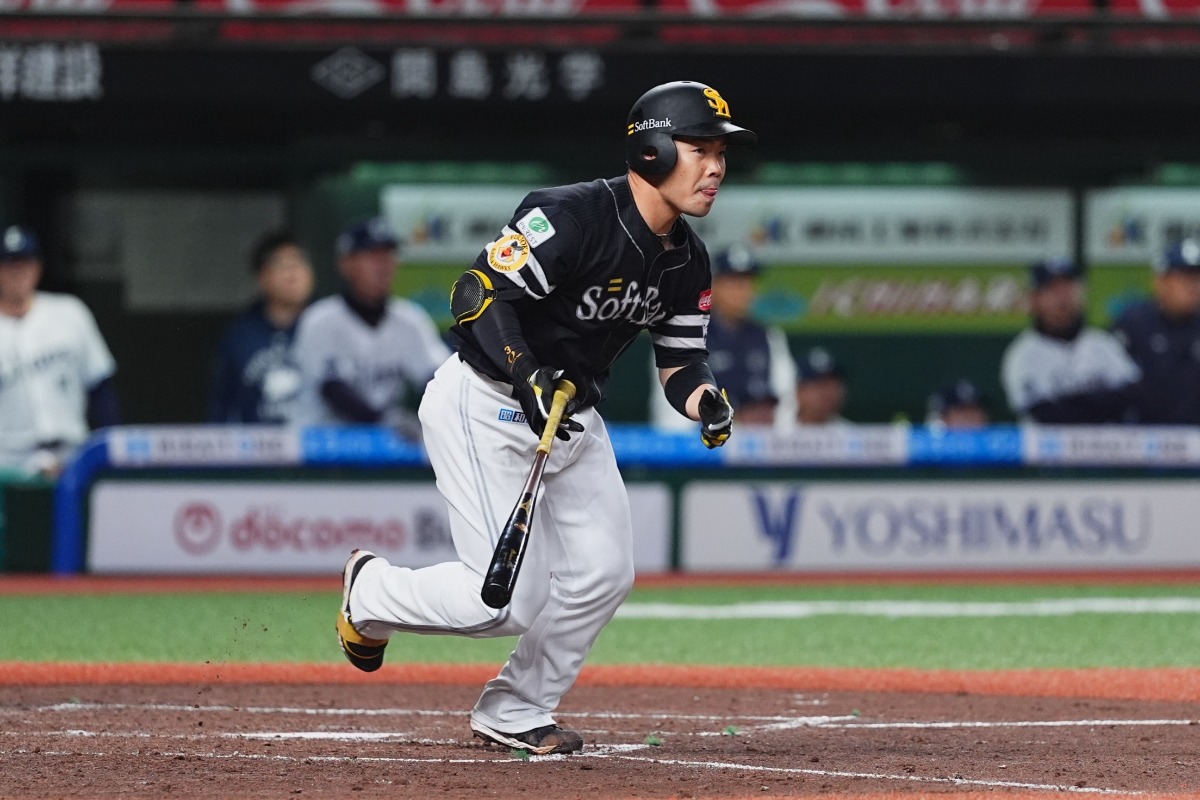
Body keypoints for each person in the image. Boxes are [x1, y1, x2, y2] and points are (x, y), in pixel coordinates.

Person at [335, 80, 749, 754]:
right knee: (503, 601)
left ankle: (515, 708)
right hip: (485, 402)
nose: (716, 167)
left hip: (571, 419)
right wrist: (527, 372)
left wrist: (707, 401)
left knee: (604, 574)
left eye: (720, 153)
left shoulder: (687, 260)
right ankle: (372, 591)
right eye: (700, 149)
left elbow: (681, 363)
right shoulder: (572, 214)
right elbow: (476, 294)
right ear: (651, 149)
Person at [289, 218, 450, 434]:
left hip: (380, 443)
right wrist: (383, 420)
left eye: (388, 255)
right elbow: (332, 388)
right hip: (321, 443)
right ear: (346, 265)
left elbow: (440, 378)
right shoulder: (320, 320)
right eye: (372, 256)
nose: (383, 265)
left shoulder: (411, 320)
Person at [0, 224, 119, 476]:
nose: (18, 273)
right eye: (10, 266)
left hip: (72, 457)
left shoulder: (69, 313)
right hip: (8, 464)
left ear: (37, 268)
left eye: (25, 264)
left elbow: (100, 388)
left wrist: (108, 455)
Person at [649, 243, 794, 428]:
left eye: (747, 282)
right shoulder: (682, 335)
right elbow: (672, 415)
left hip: (759, 440)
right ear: (713, 285)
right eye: (733, 282)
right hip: (703, 440)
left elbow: (786, 402)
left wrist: (777, 441)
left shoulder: (769, 336)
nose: (742, 291)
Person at [1000, 257, 1140, 423]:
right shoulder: (1023, 354)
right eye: (1052, 290)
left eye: (1068, 288)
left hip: (1107, 440)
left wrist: (1071, 401)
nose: (1062, 298)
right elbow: (1044, 413)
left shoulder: (1104, 344)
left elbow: (1133, 397)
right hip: (1047, 441)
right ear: (1036, 298)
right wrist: (1097, 402)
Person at [207, 230, 314, 423]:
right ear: (262, 276)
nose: (294, 274)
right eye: (283, 266)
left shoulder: (328, 327)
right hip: (258, 439)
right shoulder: (239, 337)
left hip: (318, 440)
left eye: (300, 263)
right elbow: (222, 408)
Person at [1108, 238, 1200, 424]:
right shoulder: (1133, 325)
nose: (1192, 286)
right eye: (1183, 277)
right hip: (1142, 436)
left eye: (1196, 278)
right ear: (1161, 281)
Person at [793, 346, 849, 425]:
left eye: (833, 385)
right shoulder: (779, 429)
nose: (827, 393)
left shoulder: (854, 431)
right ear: (798, 391)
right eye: (819, 385)